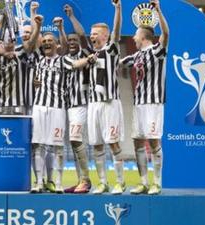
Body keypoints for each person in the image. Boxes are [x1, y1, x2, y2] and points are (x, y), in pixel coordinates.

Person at [30, 29, 97, 194]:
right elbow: (30, 46)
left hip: (58, 107)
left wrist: (88, 59)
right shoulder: (38, 60)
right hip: (38, 106)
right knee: (38, 145)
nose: (46, 43)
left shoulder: (62, 60)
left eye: (50, 40)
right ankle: (38, 182)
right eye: (44, 41)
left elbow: (76, 64)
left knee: (57, 146)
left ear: (58, 45)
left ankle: (58, 183)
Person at [120, 0, 169, 195]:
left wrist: (158, 9)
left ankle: (156, 182)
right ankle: (143, 182)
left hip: (153, 103)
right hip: (139, 104)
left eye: (135, 34)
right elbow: (117, 61)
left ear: (144, 37)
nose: (133, 37)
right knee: (137, 141)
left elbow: (166, 34)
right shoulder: (136, 56)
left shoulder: (157, 50)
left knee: (154, 141)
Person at [86, 0, 125, 195]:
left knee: (113, 142)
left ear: (104, 36)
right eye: (91, 34)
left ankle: (120, 181)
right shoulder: (92, 55)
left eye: (95, 34)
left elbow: (117, 32)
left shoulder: (111, 49)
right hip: (93, 103)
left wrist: (118, 8)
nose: (91, 36)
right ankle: (102, 182)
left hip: (110, 102)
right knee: (96, 144)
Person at [62, 4, 92, 194]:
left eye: (74, 40)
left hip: (82, 103)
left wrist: (71, 17)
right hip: (69, 106)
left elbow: (82, 35)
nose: (72, 42)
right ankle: (80, 180)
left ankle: (86, 180)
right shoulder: (64, 58)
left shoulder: (85, 53)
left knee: (75, 138)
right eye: (69, 40)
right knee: (74, 143)